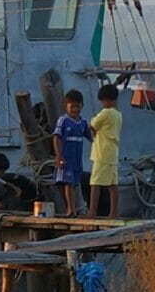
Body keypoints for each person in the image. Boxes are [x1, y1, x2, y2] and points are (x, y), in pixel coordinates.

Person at [52, 90, 92, 216]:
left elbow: (91, 137)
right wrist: (59, 156)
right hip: (67, 157)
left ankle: (74, 208)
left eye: (78, 106)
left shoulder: (83, 123)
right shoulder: (63, 120)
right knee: (68, 183)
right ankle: (70, 209)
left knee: (75, 183)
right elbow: (57, 137)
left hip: (77, 158)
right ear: (66, 106)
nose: (75, 109)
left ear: (82, 106)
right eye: (72, 107)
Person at [89, 84, 123, 218]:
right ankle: (113, 212)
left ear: (106, 100)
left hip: (102, 153)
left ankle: (92, 211)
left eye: (103, 101)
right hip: (112, 153)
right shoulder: (118, 114)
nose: (102, 104)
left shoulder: (106, 112)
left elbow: (93, 124)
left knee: (95, 183)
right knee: (113, 185)